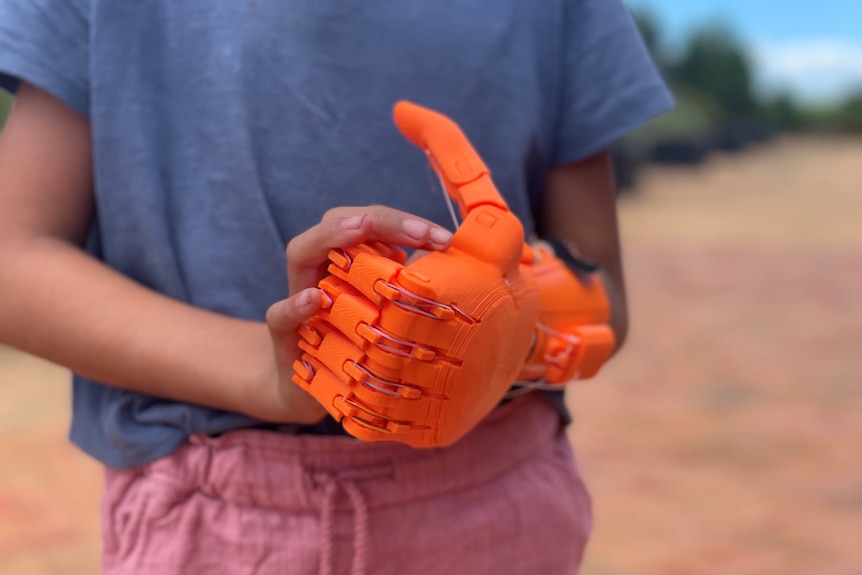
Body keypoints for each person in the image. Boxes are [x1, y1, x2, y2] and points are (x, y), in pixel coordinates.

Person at [0, 1, 672, 573]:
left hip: (502, 506)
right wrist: (267, 373)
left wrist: (511, 317)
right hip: (215, 519)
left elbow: (601, 286)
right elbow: (13, 259)